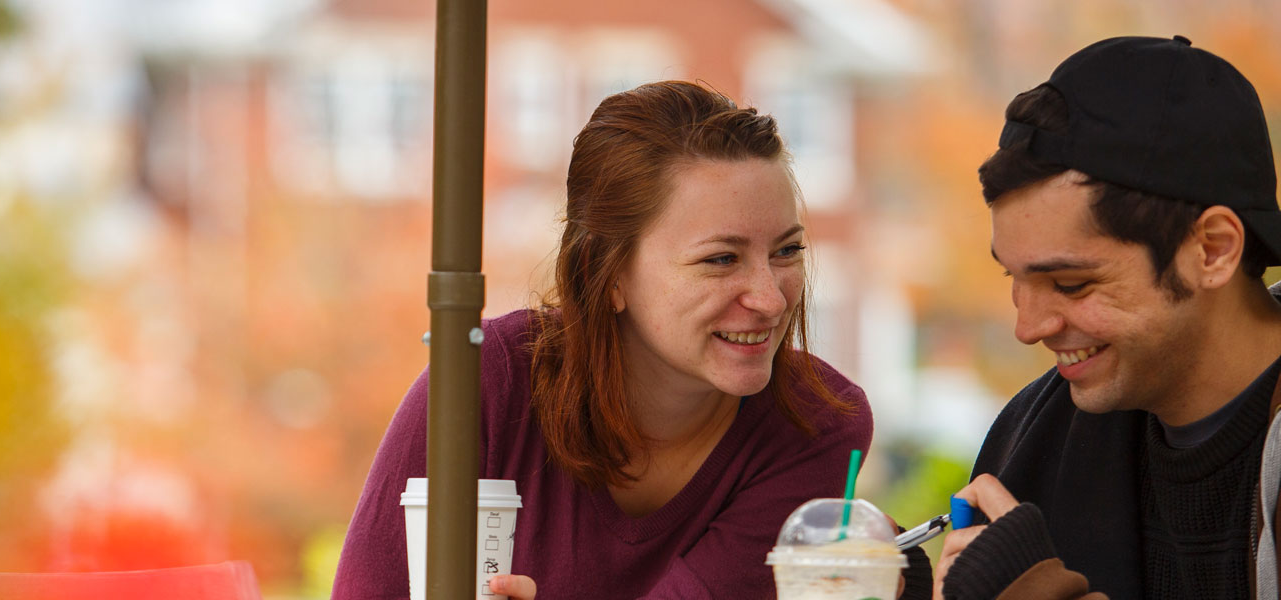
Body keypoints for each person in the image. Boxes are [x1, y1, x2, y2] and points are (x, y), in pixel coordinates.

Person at [332, 80, 930, 599]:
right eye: (721, 259)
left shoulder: (815, 423)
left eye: (787, 251)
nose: (770, 298)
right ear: (607, 274)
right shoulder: (485, 382)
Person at [934, 36, 1281, 600]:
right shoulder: (1033, 435)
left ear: (1213, 249)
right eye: (1013, 279)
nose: (1029, 328)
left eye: (1071, 284)